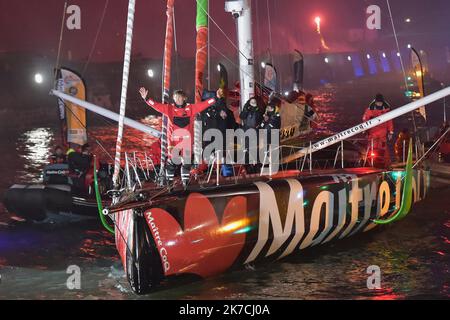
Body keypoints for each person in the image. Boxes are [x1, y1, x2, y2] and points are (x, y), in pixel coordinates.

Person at [140, 87, 223, 186]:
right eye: (176, 98)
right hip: (174, 141)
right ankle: (169, 183)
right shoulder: (169, 108)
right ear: (174, 99)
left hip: (187, 141)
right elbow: (157, 106)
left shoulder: (191, 108)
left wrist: (216, 97)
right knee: (172, 163)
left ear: (184, 98)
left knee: (187, 163)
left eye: (180, 98)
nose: (178, 100)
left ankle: (185, 184)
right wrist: (147, 99)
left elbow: (204, 104)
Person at [363, 93, 394, 167]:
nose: (379, 104)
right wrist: (365, 130)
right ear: (375, 102)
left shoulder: (386, 110)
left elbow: (389, 121)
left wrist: (391, 132)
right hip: (372, 132)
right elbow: (365, 119)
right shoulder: (369, 110)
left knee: (382, 148)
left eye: (380, 102)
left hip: (383, 132)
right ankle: (371, 164)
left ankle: (383, 164)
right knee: (372, 148)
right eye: (378, 102)